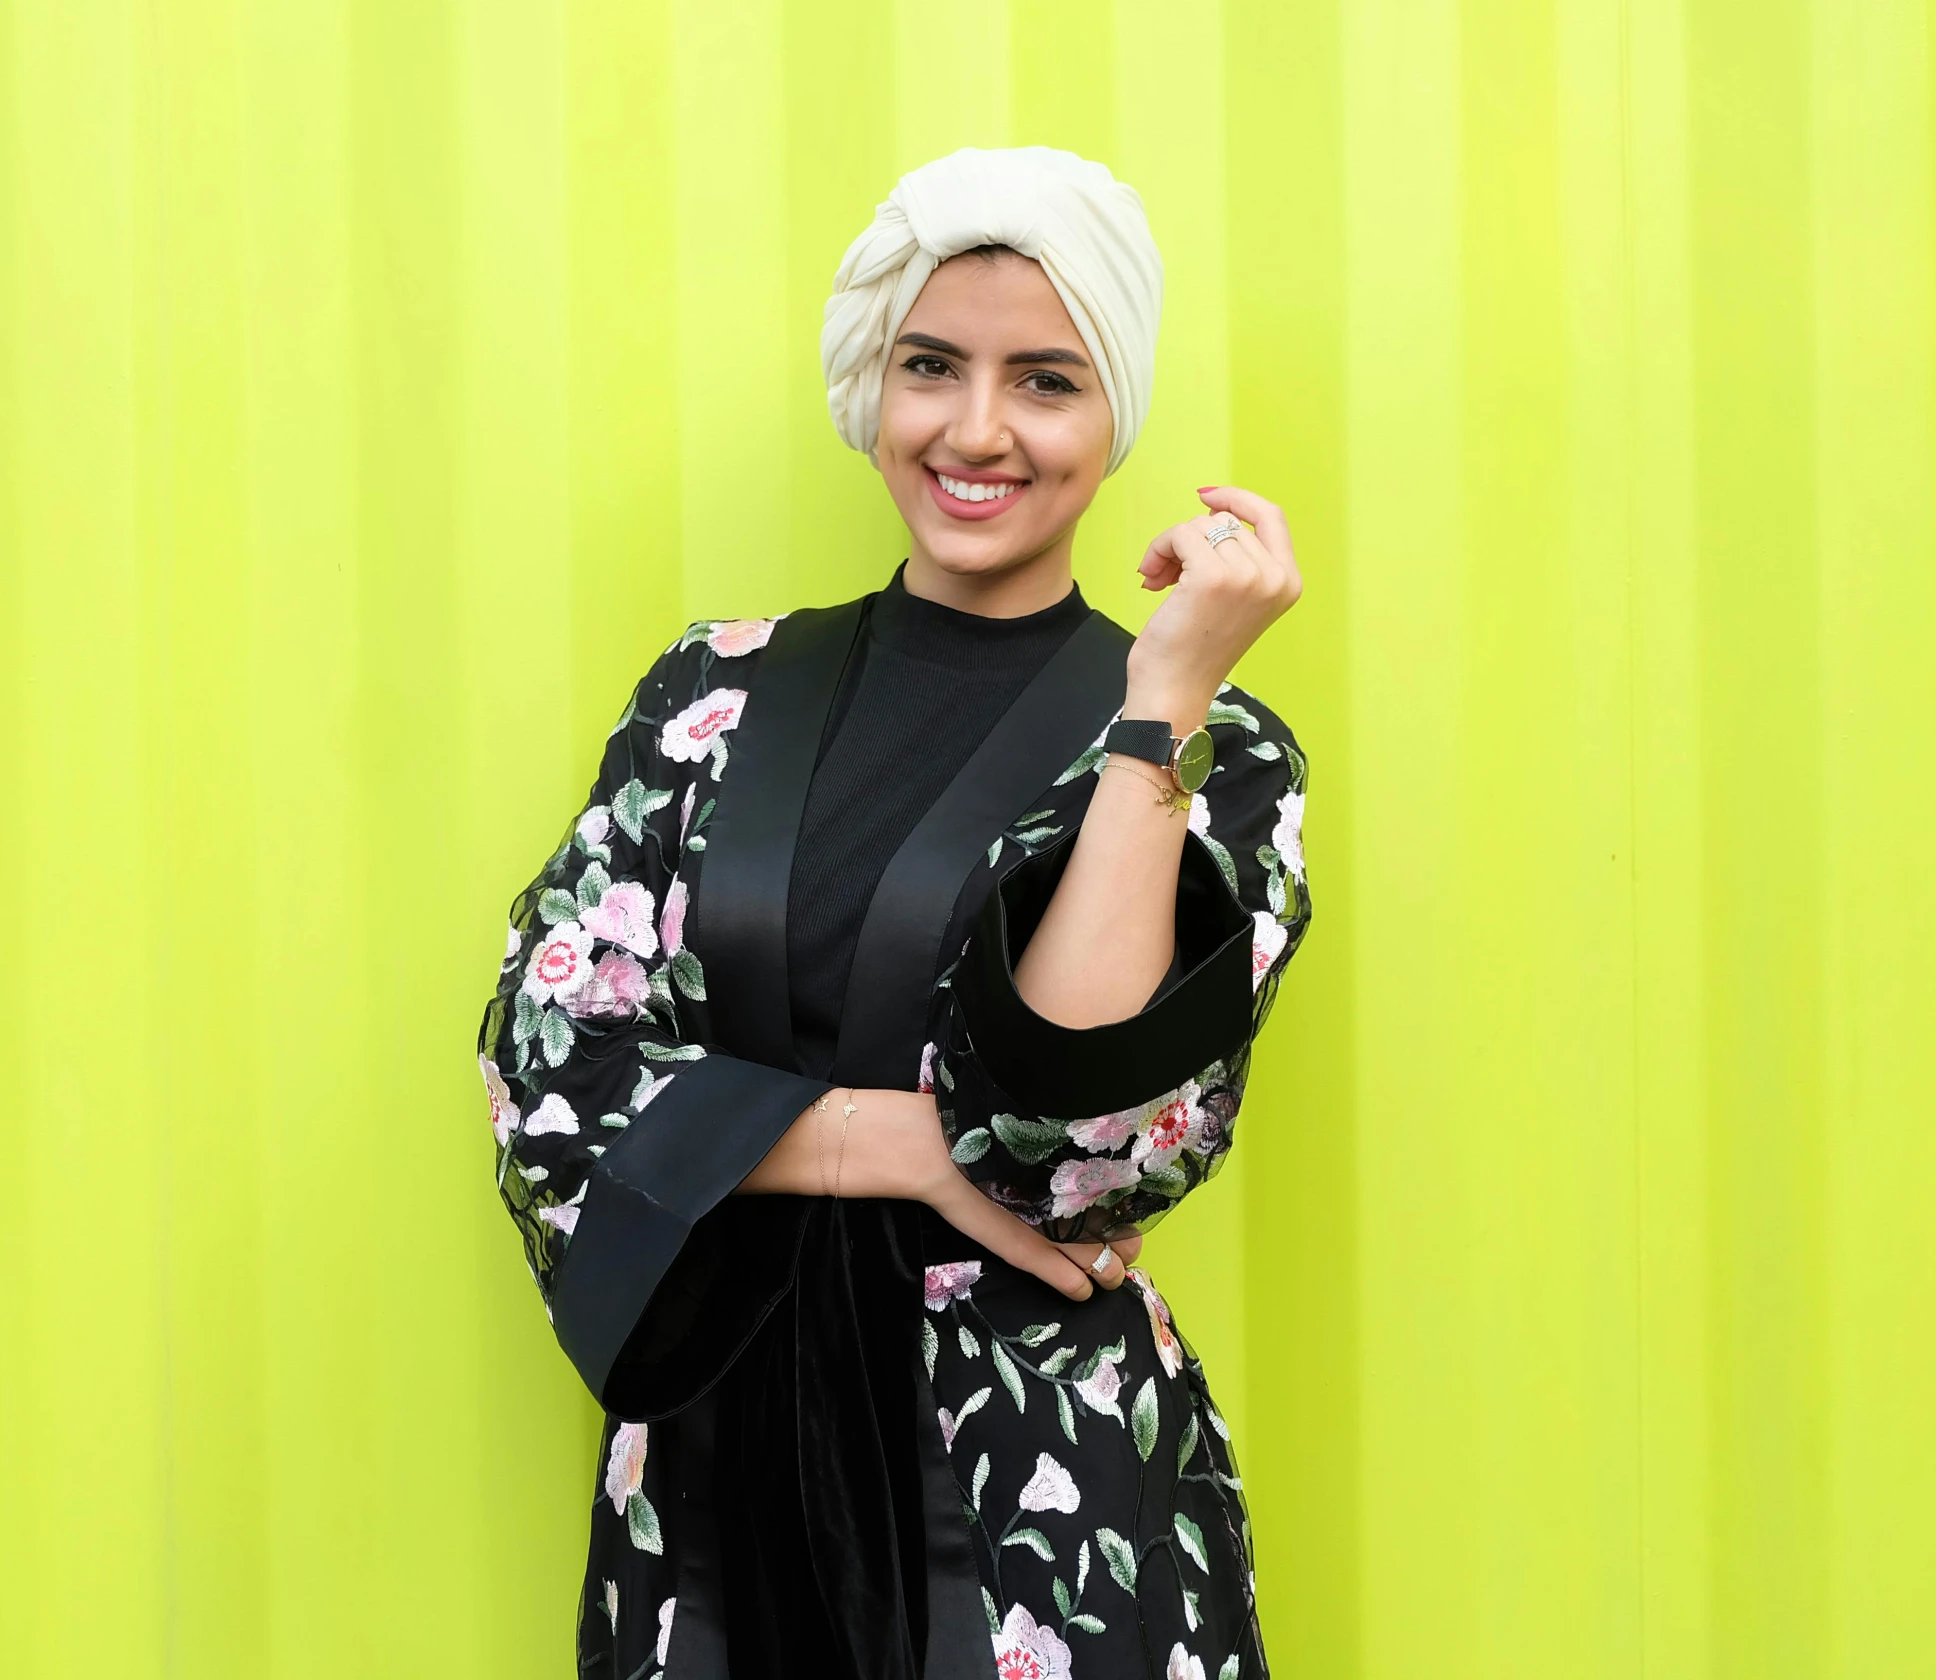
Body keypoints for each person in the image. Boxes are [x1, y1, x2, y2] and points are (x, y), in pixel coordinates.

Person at [475, 145, 1311, 1680]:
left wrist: (1160, 705)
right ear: (875, 383)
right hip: (714, 1463)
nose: (975, 430)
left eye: (1044, 381)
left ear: (1111, 413)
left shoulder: (1211, 752)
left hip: (1037, 1501)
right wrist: (900, 1146)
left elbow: (1085, 1147)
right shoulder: (713, 693)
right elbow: (549, 1075)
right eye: (931, 366)